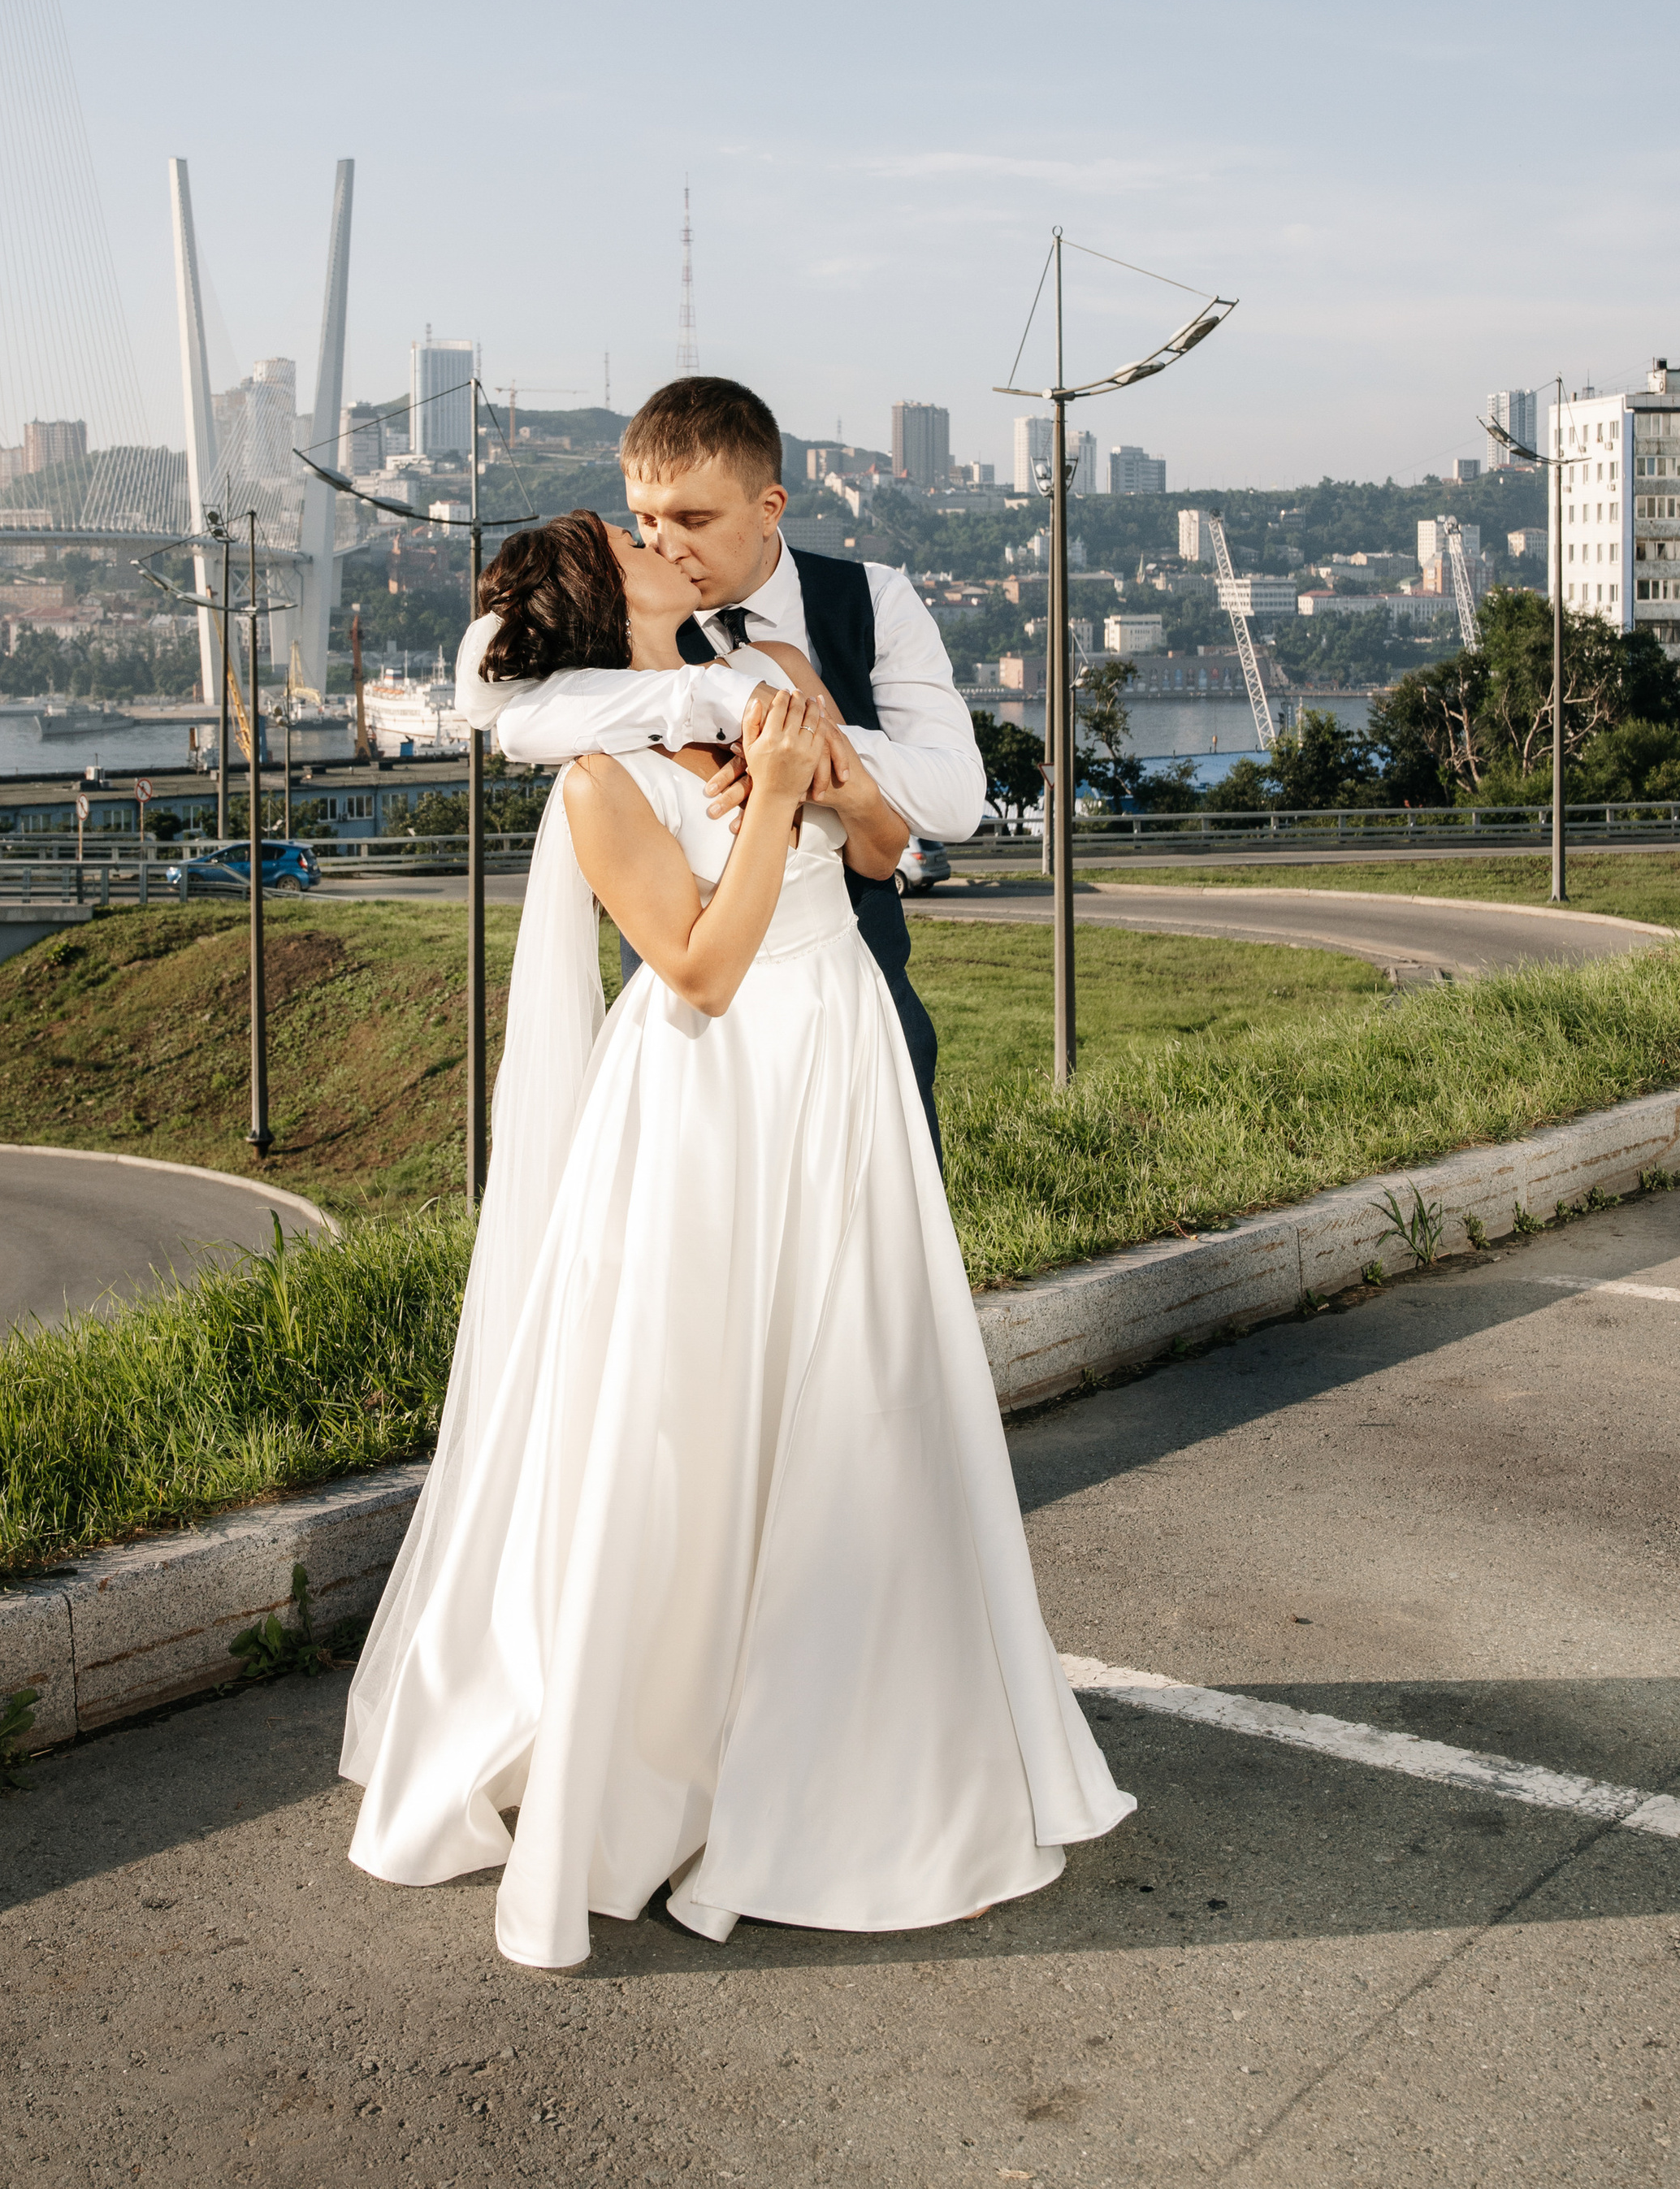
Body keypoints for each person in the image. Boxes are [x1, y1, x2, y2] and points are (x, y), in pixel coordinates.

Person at [340, 509, 1130, 1970]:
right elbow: (699, 971)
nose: (664, 540)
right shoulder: (595, 778)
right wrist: (771, 797)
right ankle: (686, 1762)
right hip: (717, 1094)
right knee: (700, 1421)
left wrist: (831, 781)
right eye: (632, 538)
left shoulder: (766, 659)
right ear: (599, 595)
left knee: (870, 1396)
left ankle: (888, 1763)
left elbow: (887, 852)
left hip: (842, 1058)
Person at [454, 375, 982, 1157]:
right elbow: (499, 713)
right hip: (700, 1044)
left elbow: (955, 802)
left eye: (693, 519)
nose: (666, 543)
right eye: (642, 522)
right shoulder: (603, 681)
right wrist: (717, 700)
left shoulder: (871, 604)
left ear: (769, 508)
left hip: (864, 1013)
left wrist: (802, 747)